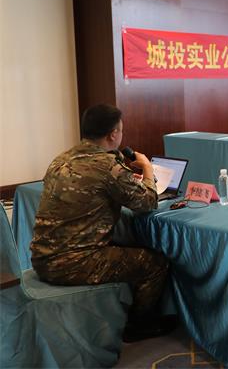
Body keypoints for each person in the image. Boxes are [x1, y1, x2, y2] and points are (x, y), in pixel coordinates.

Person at [30, 104, 174, 343]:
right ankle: (140, 325)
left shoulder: (61, 159)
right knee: (154, 263)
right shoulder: (108, 167)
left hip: (41, 257)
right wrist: (147, 168)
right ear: (113, 135)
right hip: (73, 264)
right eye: (121, 130)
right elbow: (148, 201)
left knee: (123, 245)